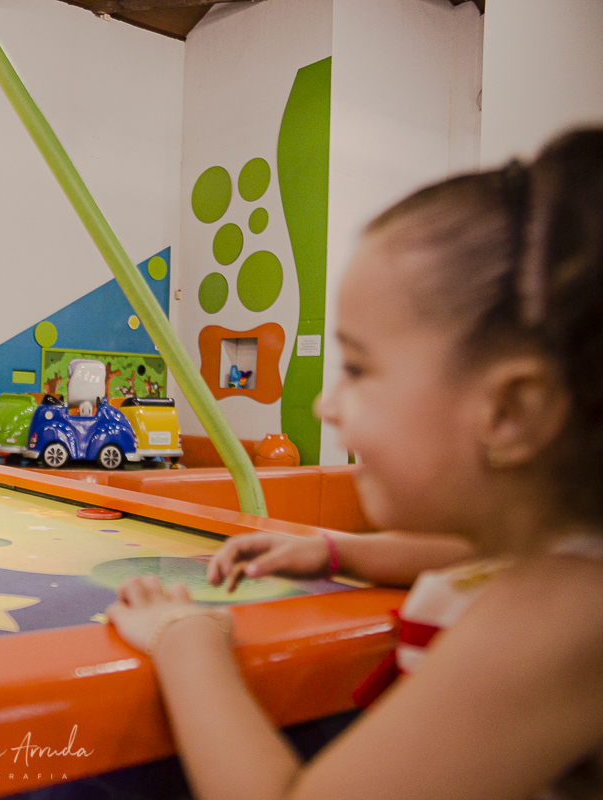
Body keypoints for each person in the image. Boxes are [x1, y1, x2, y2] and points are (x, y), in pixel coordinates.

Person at [108, 128, 603, 800]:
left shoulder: (559, 615)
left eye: (359, 369)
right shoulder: (553, 563)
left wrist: (184, 637)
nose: (325, 405)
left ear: (511, 411)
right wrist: (335, 551)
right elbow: (467, 555)